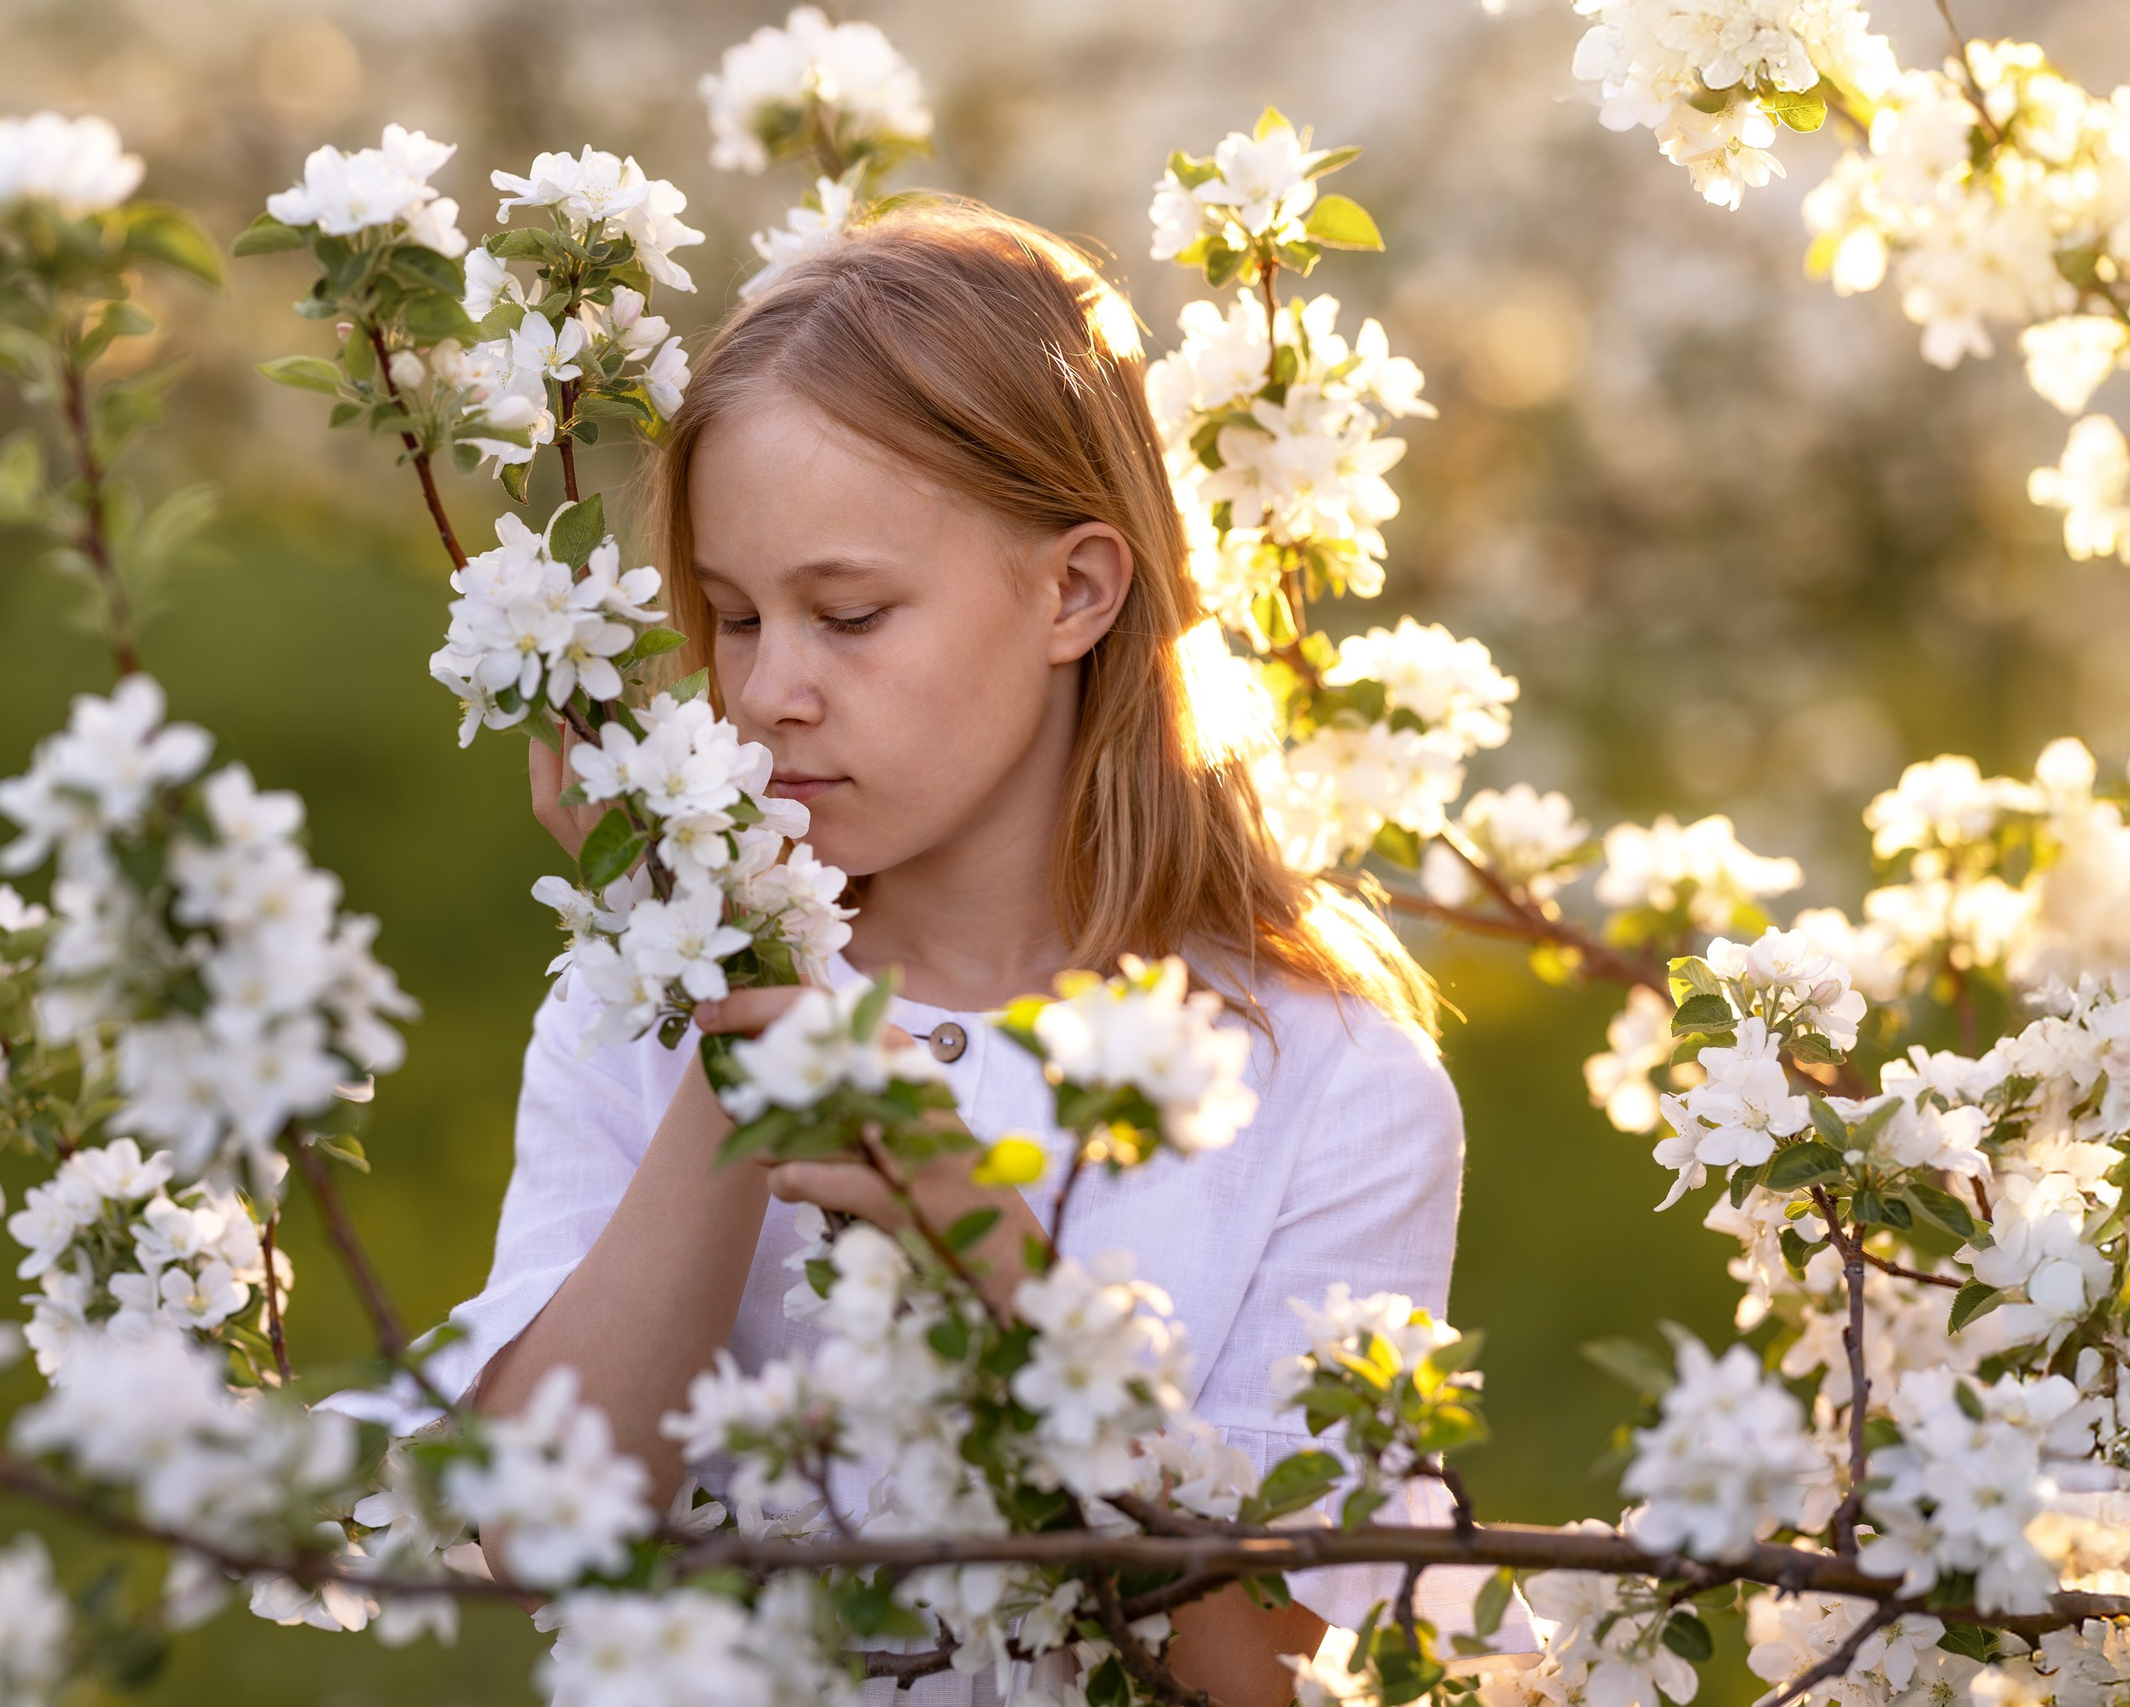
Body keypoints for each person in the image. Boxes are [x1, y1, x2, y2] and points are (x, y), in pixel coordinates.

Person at [435, 197, 1483, 1705]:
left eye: (848, 616)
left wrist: (995, 1261)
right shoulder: (650, 1007)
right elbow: (537, 1529)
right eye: (732, 620)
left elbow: (1266, 1679)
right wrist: (744, 1032)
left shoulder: (1331, 1088)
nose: (768, 692)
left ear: (1076, 591)